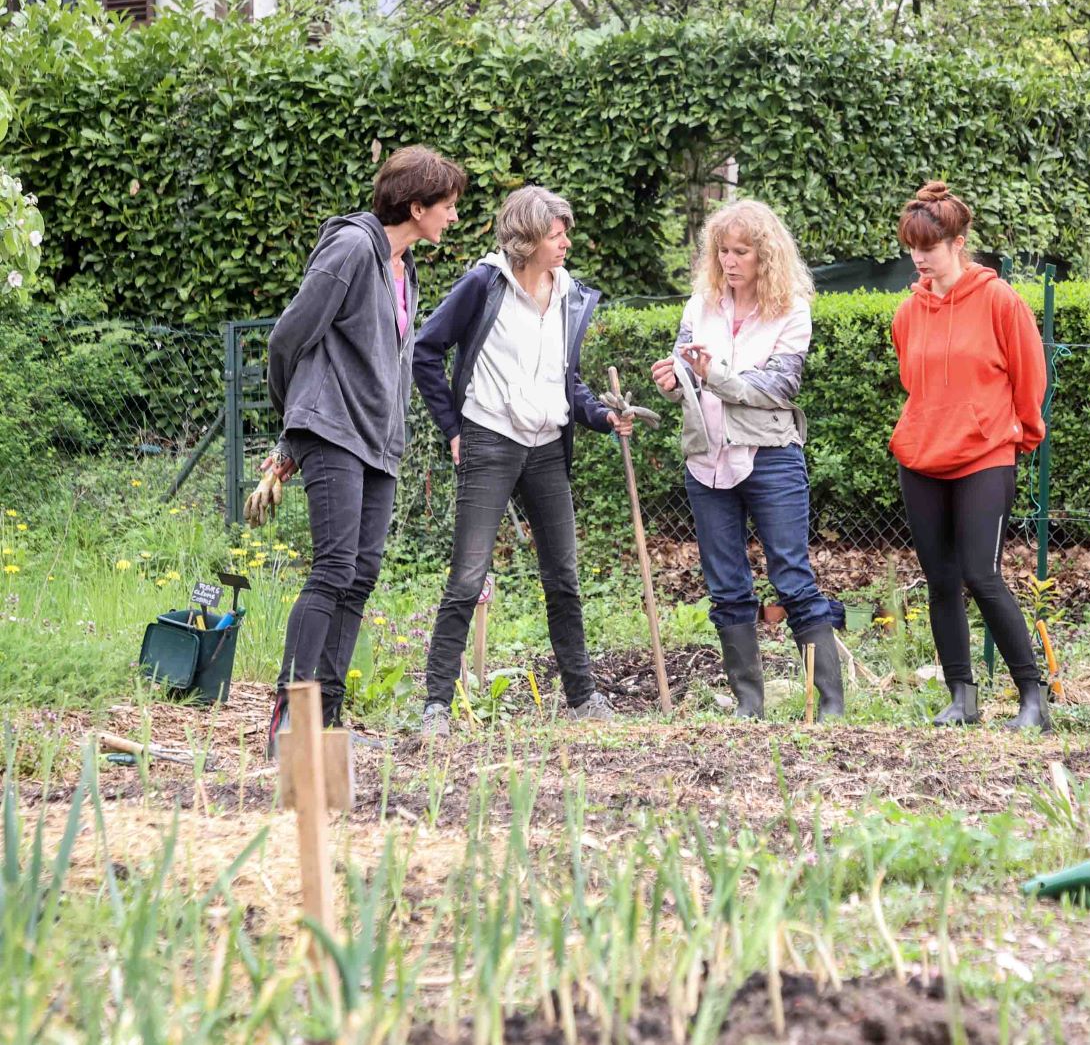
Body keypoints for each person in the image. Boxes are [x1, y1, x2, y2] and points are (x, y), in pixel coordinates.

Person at [263, 145, 466, 758]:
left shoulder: (404, 270)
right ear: (416, 205)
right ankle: (288, 724)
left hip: (379, 443)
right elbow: (287, 337)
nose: (453, 217)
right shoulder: (352, 249)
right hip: (331, 431)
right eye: (448, 206)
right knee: (331, 569)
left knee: (360, 575)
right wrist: (296, 424)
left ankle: (325, 724)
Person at [412, 186, 635, 736]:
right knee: (467, 577)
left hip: (546, 448)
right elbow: (425, 350)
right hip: (489, 440)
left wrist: (603, 417)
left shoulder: (570, 295)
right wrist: (453, 428)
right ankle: (436, 705)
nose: (565, 243)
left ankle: (583, 699)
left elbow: (568, 382)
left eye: (565, 233)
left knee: (563, 576)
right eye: (556, 234)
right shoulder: (483, 285)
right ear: (528, 238)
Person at [648, 199, 843, 720]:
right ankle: (748, 706)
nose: (730, 261)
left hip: (770, 457)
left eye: (741, 251)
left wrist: (714, 376)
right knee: (727, 585)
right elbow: (688, 374)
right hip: (705, 459)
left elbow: (777, 386)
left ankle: (830, 705)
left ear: (766, 256)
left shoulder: (792, 310)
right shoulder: (700, 304)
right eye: (722, 251)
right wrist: (674, 380)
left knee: (792, 577)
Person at [888, 182, 1050, 731]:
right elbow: (914, 380)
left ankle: (1033, 697)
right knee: (939, 580)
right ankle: (962, 697)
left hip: (986, 456)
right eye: (912, 246)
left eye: (928, 246)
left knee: (983, 575)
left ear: (958, 242)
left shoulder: (1000, 301)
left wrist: (1017, 435)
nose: (919, 257)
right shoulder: (908, 312)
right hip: (922, 458)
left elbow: (1030, 378)